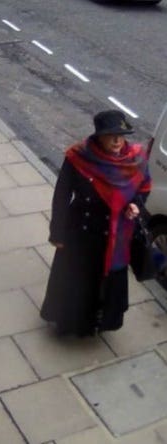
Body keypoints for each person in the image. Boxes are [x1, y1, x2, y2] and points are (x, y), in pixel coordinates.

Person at [40, 109, 152, 337]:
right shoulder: (78, 156)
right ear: (99, 135)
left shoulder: (136, 159)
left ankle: (101, 321)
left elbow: (143, 188)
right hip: (82, 232)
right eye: (111, 135)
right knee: (79, 281)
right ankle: (72, 324)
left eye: (122, 135)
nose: (118, 140)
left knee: (107, 282)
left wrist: (136, 204)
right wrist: (57, 234)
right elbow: (62, 195)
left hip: (116, 233)